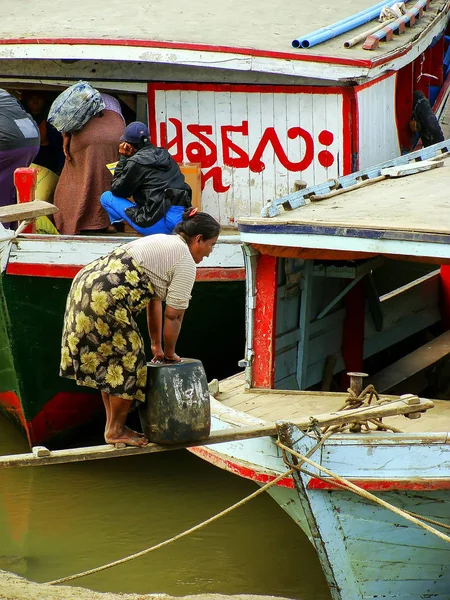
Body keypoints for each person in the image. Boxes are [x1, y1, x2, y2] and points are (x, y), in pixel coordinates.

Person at [59, 209, 220, 446]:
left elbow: (152, 302)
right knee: (131, 362)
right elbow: (173, 316)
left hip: (85, 285)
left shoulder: (164, 242)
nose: (210, 252)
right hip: (106, 297)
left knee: (113, 362)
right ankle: (115, 430)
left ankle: (112, 427)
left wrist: (157, 346)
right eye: (211, 245)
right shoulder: (185, 261)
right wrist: (170, 353)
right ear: (198, 240)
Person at [100, 121, 192, 235]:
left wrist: (123, 157)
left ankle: (143, 230)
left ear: (127, 144)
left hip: (157, 221)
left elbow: (117, 190)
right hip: (181, 221)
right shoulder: (164, 154)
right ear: (148, 138)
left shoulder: (136, 162)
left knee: (106, 197)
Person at [53, 92, 125, 234]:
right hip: (117, 134)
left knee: (76, 177)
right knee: (111, 175)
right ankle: (109, 223)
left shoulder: (77, 98)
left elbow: (66, 123)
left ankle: (74, 223)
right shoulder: (113, 100)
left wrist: (65, 140)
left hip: (88, 135)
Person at [0, 89, 40, 227]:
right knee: (9, 186)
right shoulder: (4, 95)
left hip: (7, 142)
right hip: (31, 140)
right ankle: (11, 228)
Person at [21, 91, 65, 175]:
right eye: (31, 99)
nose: (35, 103)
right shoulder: (21, 120)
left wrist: (60, 168)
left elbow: (61, 147)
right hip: (29, 159)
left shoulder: (54, 120)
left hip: (50, 158)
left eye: (39, 99)